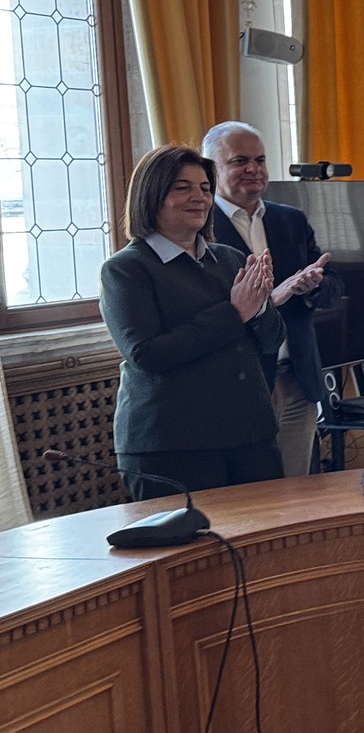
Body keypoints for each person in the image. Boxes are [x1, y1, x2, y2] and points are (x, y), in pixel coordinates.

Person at [100, 144, 285, 495]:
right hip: (171, 445)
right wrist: (234, 313)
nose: (199, 197)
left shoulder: (230, 259)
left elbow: (271, 341)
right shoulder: (125, 269)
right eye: (182, 187)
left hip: (250, 435)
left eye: (205, 188)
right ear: (151, 196)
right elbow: (147, 354)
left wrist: (260, 307)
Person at [203, 121, 330, 476]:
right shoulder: (200, 227)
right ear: (211, 169)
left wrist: (312, 284)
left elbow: (332, 282)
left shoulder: (290, 219)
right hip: (245, 382)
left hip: (300, 376)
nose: (253, 169)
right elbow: (207, 308)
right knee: (255, 490)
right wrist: (271, 297)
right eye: (239, 160)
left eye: (259, 160)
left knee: (296, 488)